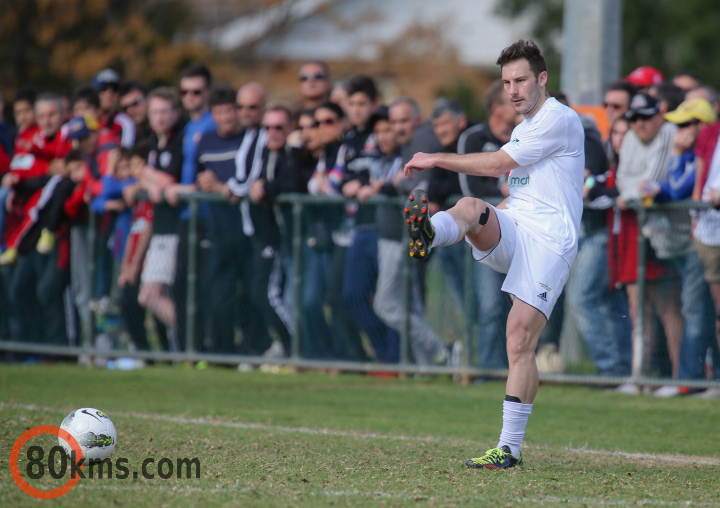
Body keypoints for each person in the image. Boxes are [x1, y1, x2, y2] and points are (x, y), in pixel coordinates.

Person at [403, 40, 585, 468]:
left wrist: (435, 158)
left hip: (549, 243)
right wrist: (493, 216)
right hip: (517, 229)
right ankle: (429, 234)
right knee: (469, 209)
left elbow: (495, 166)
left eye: (521, 79)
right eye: (506, 82)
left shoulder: (558, 118)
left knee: (519, 339)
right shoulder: (525, 125)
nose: (513, 89)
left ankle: (508, 448)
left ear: (542, 78)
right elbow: (522, 191)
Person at [638, 98, 718, 395]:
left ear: (702, 126)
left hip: (704, 239)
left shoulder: (701, 155)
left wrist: (662, 185)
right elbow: (673, 184)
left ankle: (692, 380)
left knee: (696, 307)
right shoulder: (688, 154)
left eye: (685, 124)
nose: (679, 130)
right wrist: (677, 153)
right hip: (700, 239)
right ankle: (697, 378)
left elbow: (676, 188)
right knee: (698, 307)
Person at [614, 93, 684, 388]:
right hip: (639, 229)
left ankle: (680, 380)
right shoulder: (631, 136)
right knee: (637, 305)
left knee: (669, 308)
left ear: (660, 115)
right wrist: (634, 192)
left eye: (645, 117)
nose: (639, 124)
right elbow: (623, 180)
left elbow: (649, 183)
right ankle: (639, 378)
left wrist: (632, 194)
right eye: (634, 118)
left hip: (667, 234)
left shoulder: (668, 133)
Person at [457, 80, 518, 370]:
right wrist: (505, 189)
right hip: (488, 231)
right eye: (510, 99)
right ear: (496, 108)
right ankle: (488, 371)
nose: (518, 100)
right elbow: (470, 186)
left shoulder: (524, 136)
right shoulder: (474, 138)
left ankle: (522, 367)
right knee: (491, 306)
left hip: (522, 231)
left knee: (527, 306)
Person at [137, 87, 187, 351]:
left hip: (175, 229)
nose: (159, 117)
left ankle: (195, 338)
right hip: (160, 228)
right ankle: (188, 342)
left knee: (152, 294)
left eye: (165, 111)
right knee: (150, 296)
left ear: (175, 114)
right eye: (154, 111)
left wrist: (143, 173)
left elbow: (170, 182)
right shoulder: (153, 143)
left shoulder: (180, 141)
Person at [92, 69, 136, 148]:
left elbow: (125, 154)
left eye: (114, 89)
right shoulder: (86, 120)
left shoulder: (125, 123)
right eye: (103, 88)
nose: (109, 94)